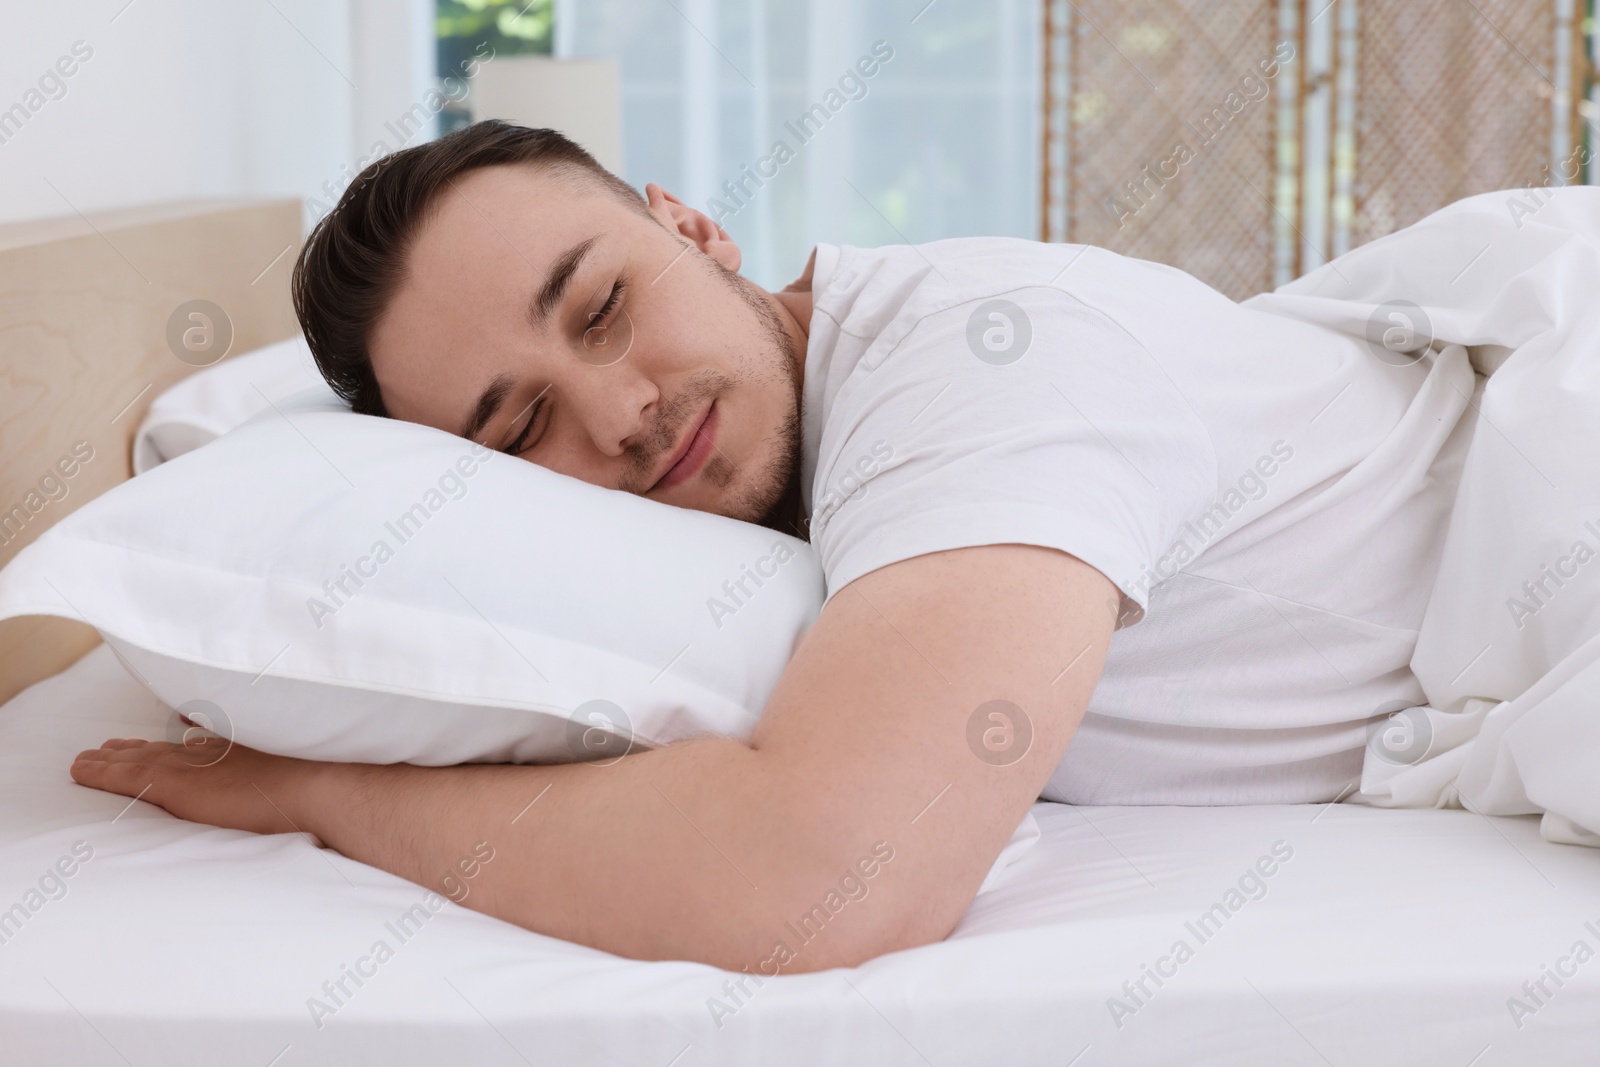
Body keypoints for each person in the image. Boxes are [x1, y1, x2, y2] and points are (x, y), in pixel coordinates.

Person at [67, 121, 1475, 972]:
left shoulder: (980, 365)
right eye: (517, 433)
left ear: (688, 223)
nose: (621, 416)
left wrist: (323, 793)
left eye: (606, 304)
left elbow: (823, 878)